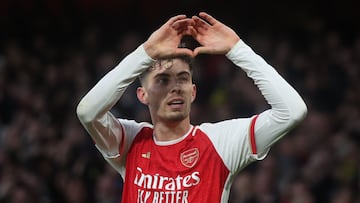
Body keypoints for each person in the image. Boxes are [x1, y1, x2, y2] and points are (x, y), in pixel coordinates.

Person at [76, 12, 307, 203]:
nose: (175, 87)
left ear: (193, 91)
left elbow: (292, 111)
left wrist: (238, 50)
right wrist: (144, 54)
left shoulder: (221, 143)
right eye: (163, 80)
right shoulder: (130, 142)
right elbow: (88, 112)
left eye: (183, 78)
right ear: (142, 95)